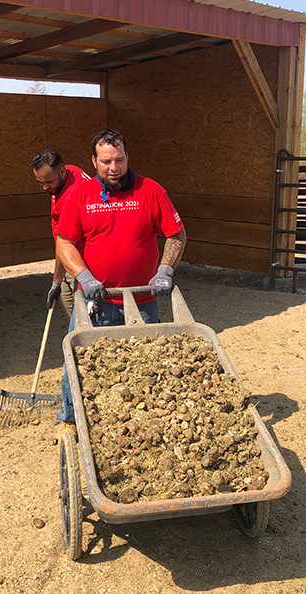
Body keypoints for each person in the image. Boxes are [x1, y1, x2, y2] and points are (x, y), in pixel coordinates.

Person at [55, 129, 187, 425]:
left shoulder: (151, 191)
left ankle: (139, 424)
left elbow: (176, 234)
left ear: (128, 157)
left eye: (119, 160)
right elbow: (64, 242)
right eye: (106, 162)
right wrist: (84, 276)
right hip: (96, 303)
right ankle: (72, 421)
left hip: (142, 302)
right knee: (77, 365)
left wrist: (166, 269)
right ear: (94, 162)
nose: (113, 168)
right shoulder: (80, 195)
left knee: (143, 369)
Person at [31, 148, 91, 318]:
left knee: (81, 315)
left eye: (48, 182)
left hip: (80, 259)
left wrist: (56, 282)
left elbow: (64, 243)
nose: (45, 187)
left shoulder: (73, 198)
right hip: (69, 253)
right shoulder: (69, 172)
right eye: (40, 182)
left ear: (62, 172)